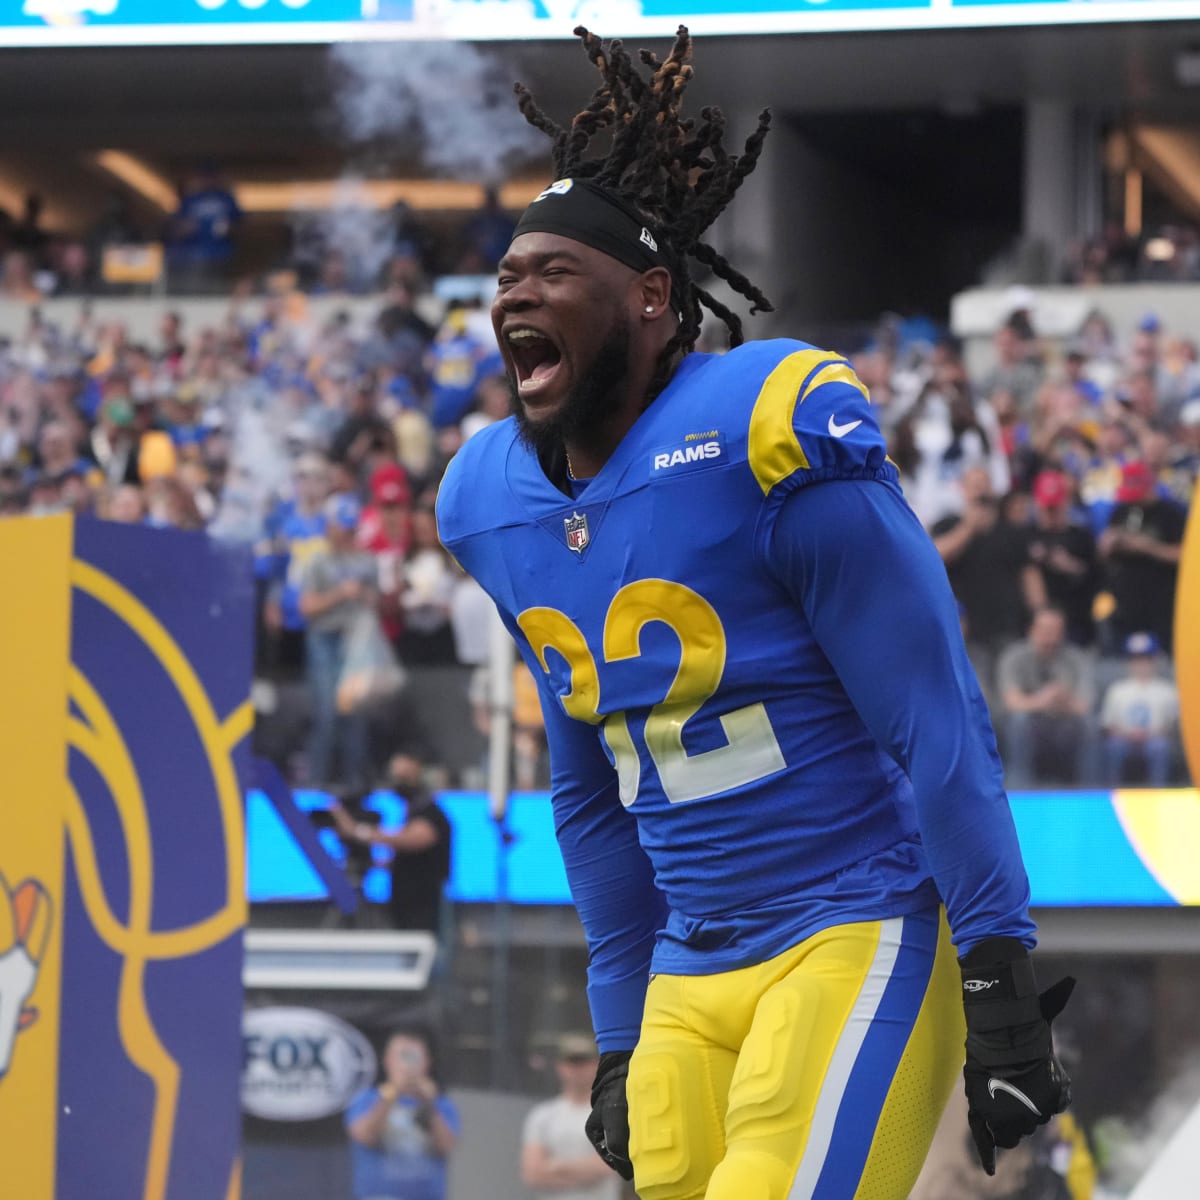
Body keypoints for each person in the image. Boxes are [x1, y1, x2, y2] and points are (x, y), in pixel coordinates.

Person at [436, 25, 1072, 1200]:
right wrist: (619, 1029)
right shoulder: (492, 501)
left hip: (857, 925)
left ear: (653, 298)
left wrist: (998, 975)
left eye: (555, 272)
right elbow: (590, 790)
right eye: (507, 277)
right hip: (690, 959)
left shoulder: (763, 427)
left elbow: (934, 718)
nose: (518, 291)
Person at [330, 752, 452, 933]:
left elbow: (412, 840)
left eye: (403, 778)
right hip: (404, 906)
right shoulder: (409, 813)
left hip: (424, 910)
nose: (397, 783)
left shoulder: (431, 813)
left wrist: (358, 831)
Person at [345, 1028, 460, 1200]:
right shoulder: (366, 1099)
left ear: (426, 1062)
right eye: (403, 1057)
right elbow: (365, 1136)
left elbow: (445, 1145)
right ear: (387, 1061)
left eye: (414, 1058)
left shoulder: (442, 1104)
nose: (408, 1066)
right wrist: (392, 1095)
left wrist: (430, 1104)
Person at [997, 608, 1094, 789]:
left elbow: (1084, 706)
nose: (1051, 637)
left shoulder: (1077, 659)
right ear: (1032, 630)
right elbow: (1011, 702)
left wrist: (1063, 699)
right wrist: (1043, 699)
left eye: (1056, 631)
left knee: (1089, 724)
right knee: (1018, 721)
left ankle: (1089, 792)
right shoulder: (1014, 657)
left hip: (1065, 722)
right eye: (1045, 630)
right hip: (1031, 722)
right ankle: (1020, 789)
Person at [521, 1034, 621, 1200]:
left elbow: (610, 1165)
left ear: (597, 1064)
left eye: (584, 1061)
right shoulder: (542, 1116)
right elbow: (532, 1173)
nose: (578, 1069)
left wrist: (557, 1167)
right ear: (559, 1066)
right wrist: (587, 1171)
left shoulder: (611, 1113)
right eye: (572, 1062)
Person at [1099, 632, 1179, 787]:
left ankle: (1158, 792)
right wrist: (1128, 734)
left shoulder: (1167, 691)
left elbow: (1173, 726)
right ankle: (1112, 792)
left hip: (1156, 738)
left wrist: (1150, 734)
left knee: (1159, 747)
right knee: (1114, 746)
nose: (1141, 664)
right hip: (1124, 738)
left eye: (1146, 659)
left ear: (1155, 660)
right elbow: (1108, 726)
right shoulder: (1117, 690)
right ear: (1128, 662)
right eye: (1136, 659)